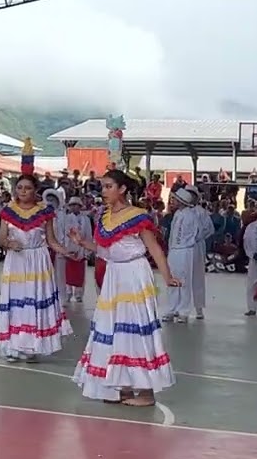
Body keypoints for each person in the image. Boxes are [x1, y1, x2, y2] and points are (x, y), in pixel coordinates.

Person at [69, 170, 181, 407]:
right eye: (103, 186)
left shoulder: (137, 216)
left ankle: (147, 391)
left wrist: (168, 276)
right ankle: (125, 386)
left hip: (134, 275)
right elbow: (104, 251)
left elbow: (154, 248)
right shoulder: (104, 217)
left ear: (122, 189)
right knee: (115, 330)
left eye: (109, 186)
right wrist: (82, 243)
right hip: (114, 275)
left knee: (136, 329)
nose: (104, 191)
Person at [0, 173, 72, 362]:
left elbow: (52, 240)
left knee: (33, 300)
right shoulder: (8, 211)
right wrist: (8, 244)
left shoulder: (44, 212)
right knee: (16, 302)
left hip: (38, 261)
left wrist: (66, 251)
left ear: (35, 190)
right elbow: (1, 239)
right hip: (16, 262)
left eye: (27, 188)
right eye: (19, 187)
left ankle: (31, 346)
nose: (22, 191)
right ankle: (13, 346)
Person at [161, 186, 213, 322]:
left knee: (184, 280)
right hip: (175, 250)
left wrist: (190, 242)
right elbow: (173, 233)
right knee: (173, 278)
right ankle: (172, 309)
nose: (173, 202)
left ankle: (184, 310)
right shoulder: (177, 214)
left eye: (176, 200)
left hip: (186, 249)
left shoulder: (193, 214)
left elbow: (202, 230)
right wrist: (171, 248)